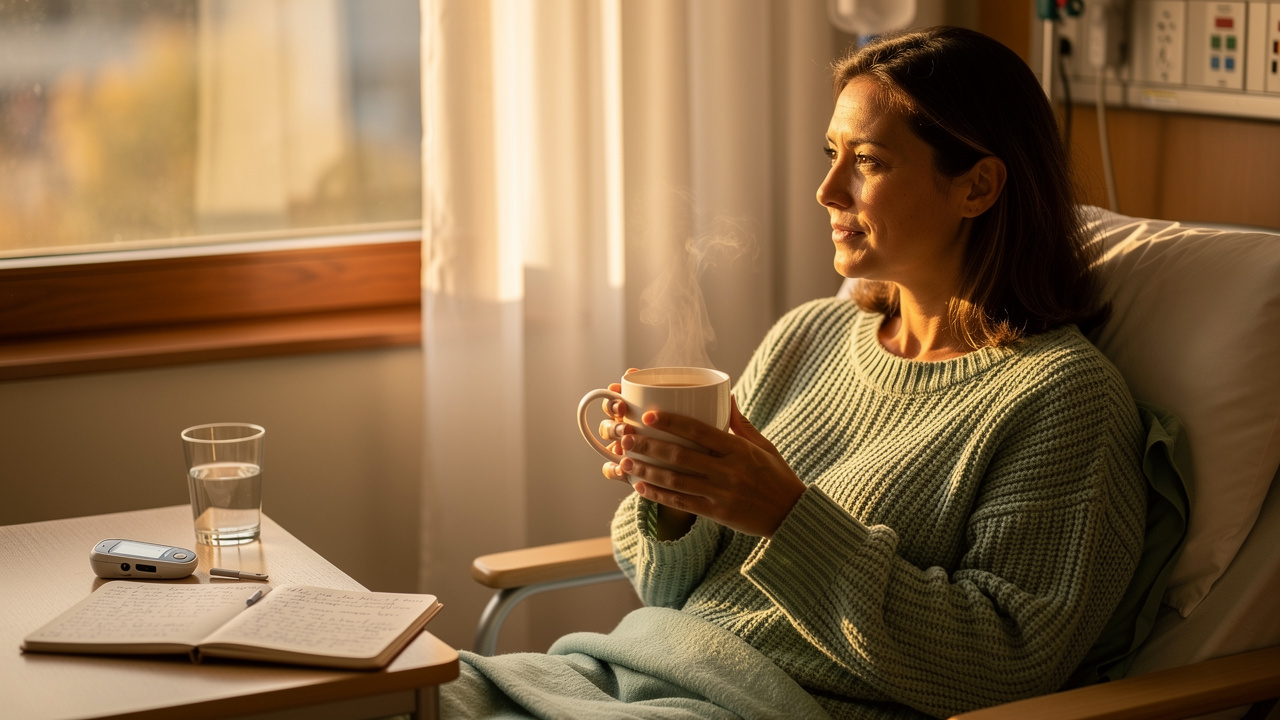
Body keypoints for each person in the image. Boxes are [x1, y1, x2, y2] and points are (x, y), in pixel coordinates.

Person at [441, 26, 1146, 720]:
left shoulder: (1062, 399)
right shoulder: (809, 335)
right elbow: (665, 590)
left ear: (978, 186)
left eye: (868, 161)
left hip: (758, 706)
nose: (827, 190)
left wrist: (786, 516)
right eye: (831, 154)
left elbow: (1003, 664)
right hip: (622, 673)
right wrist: (677, 499)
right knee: (397, 695)